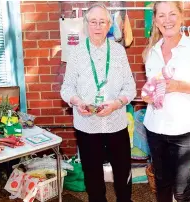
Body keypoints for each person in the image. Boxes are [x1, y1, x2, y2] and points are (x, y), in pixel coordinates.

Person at [60, 3, 136, 202]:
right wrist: (77, 101)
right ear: (86, 24)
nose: (97, 26)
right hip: (87, 126)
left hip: (116, 123)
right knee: (93, 178)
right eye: (93, 21)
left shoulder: (119, 52)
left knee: (123, 177)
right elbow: (66, 88)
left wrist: (117, 103)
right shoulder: (75, 53)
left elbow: (131, 88)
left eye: (102, 21)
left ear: (109, 24)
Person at [141, 2, 190, 202]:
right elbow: (151, 88)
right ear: (155, 21)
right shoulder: (151, 52)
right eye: (162, 16)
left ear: (181, 17)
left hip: (183, 131)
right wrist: (147, 96)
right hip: (155, 128)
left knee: (182, 192)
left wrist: (177, 85)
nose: (167, 20)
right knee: (162, 185)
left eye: (172, 14)